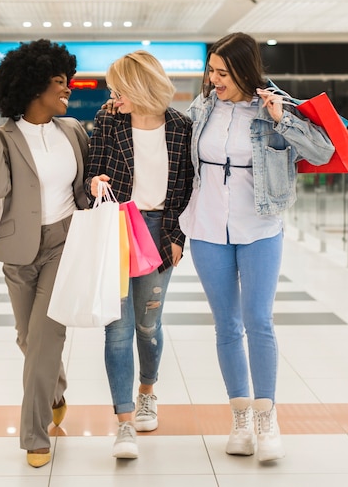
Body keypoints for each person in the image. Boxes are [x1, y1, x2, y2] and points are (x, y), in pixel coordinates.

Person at [178, 32, 334, 462]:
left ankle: (267, 415)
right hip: (208, 227)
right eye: (210, 71)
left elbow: (322, 152)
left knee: (258, 320)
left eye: (222, 73)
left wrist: (282, 119)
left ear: (245, 70)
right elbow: (174, 139)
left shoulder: (275, 103)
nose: (213, 80)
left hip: (261, 226)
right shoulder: (203, 107)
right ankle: (240, 417)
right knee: (226, 325)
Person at [0, 39, 89, 469]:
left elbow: (88, 188)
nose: (67, 90)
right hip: (19, 248)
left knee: (45, 337)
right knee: (27, 337)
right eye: (59, 83)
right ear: (34, 86)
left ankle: (35, 435)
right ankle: (54, 390)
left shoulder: (73, 130)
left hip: (64, 244)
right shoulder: (2, 136)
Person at [85, 50, 194, 459]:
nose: (113, 95)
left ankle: (148, 391)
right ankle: (124, 423)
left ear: (139, 86)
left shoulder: (181, 127)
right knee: (117, 328)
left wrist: (178, 236)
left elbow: (186, 189)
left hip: (159, 233)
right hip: (117, 230)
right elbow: (89, 177)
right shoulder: (109, 121)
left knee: (148, 326)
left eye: (118, 88)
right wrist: (93, 183)